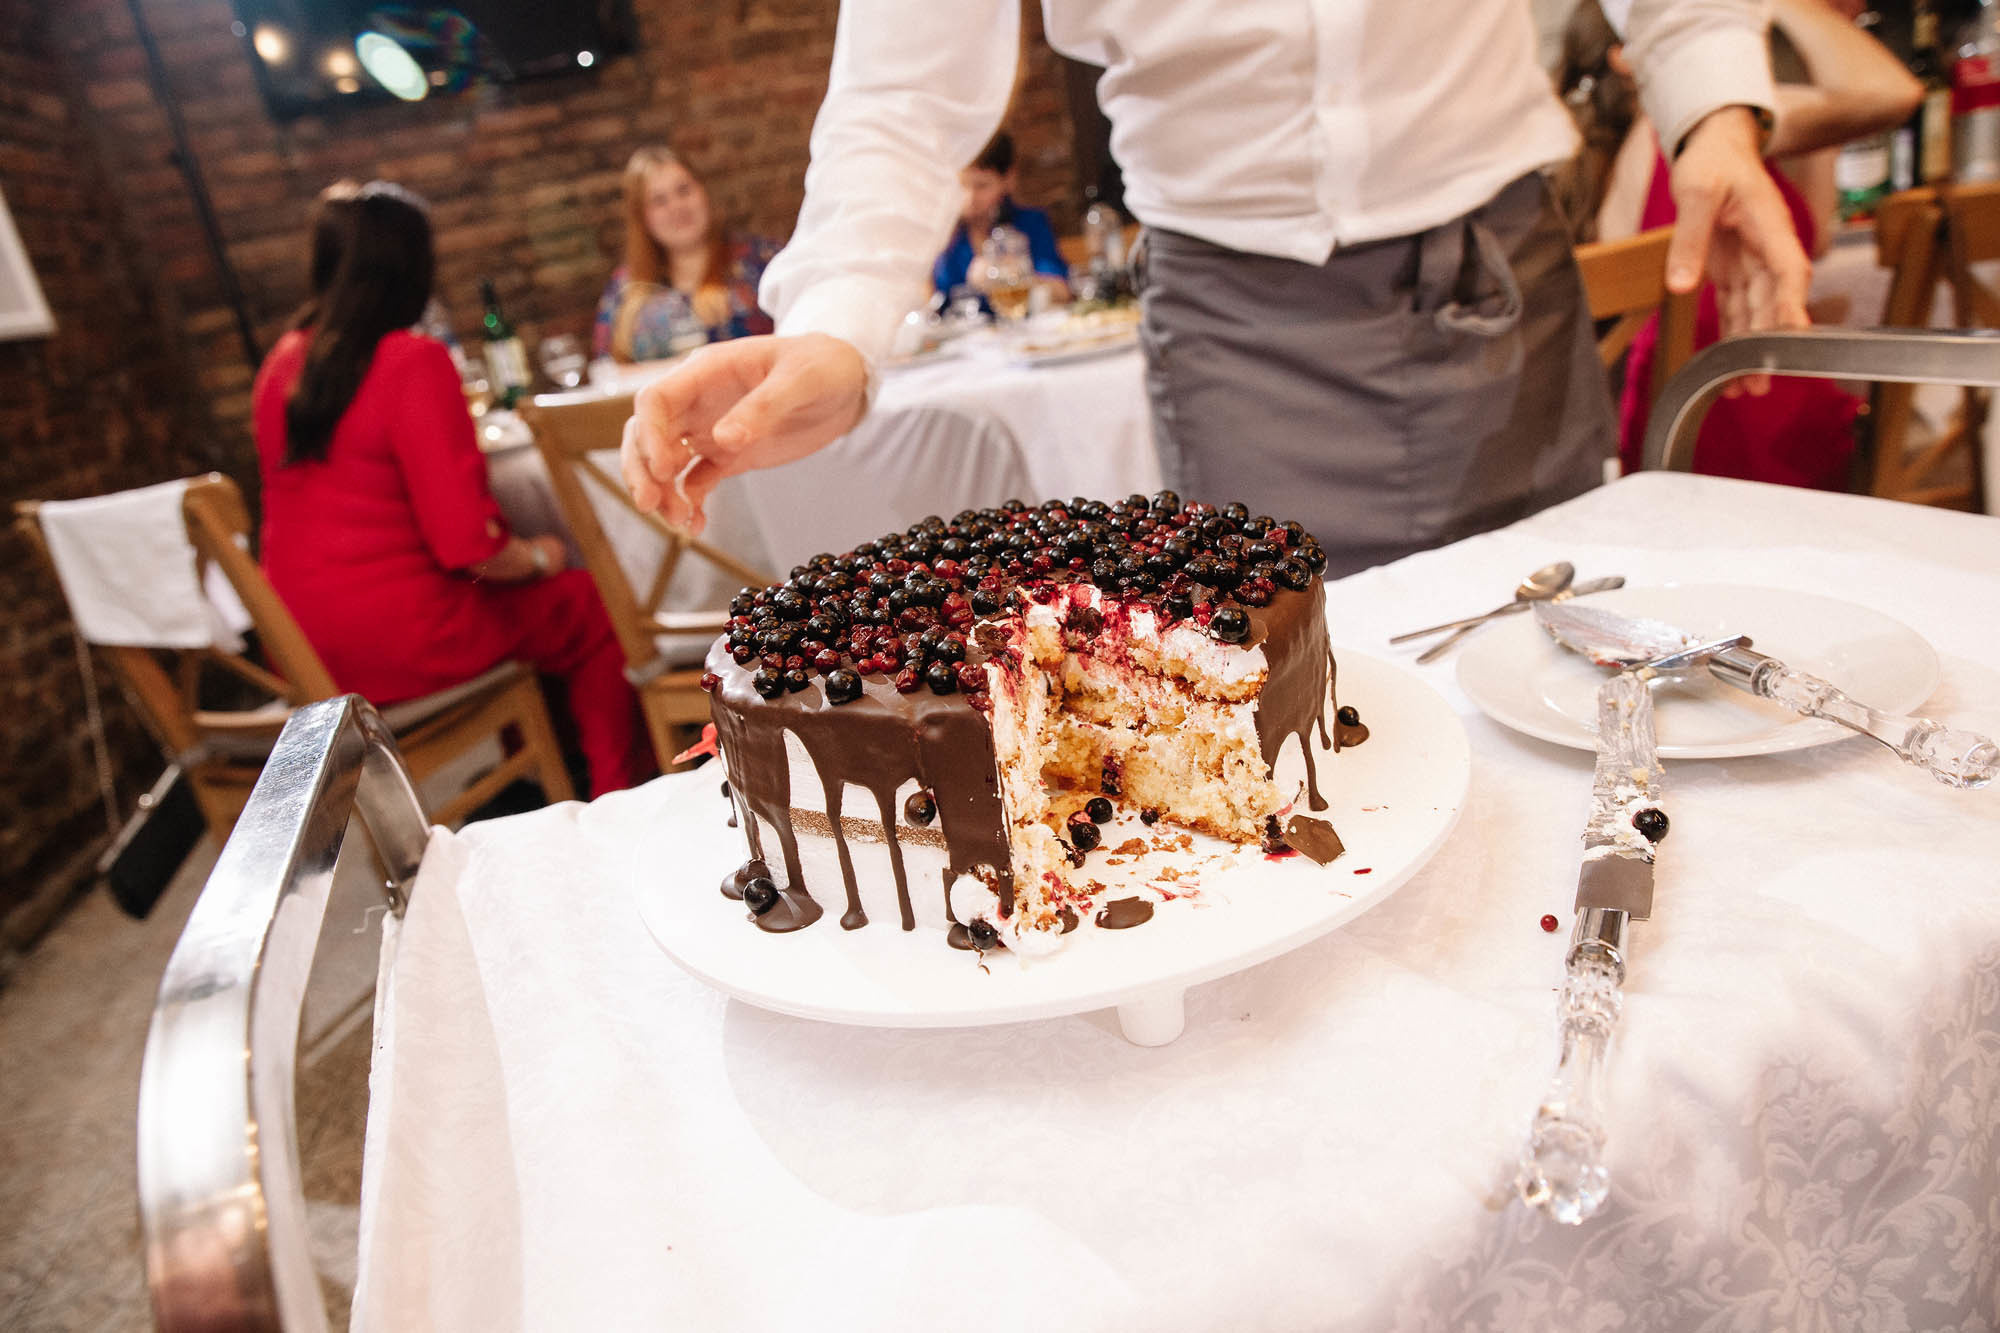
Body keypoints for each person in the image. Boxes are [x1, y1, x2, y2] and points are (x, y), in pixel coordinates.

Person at [620, 0, 1813, 579]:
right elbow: (902, 94)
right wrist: (838, 320)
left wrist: (1709, 103)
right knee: (1303, 720)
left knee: (1553, 646)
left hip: (1495, 267)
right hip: (1234, 327)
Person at [254, 180, 651, 797]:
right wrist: (540, 556)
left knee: (527, 610)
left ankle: (543, 777)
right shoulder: (410, 361)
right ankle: (619, 796)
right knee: (587, 604)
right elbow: (467, 545)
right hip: (400, 638)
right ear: (412, 268)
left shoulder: (282, 362)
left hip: (302, 645)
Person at [1557, 0, 1920, 488]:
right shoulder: (1691, 133)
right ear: (1631, 56)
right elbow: (1891, 92)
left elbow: (1816, 237)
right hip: (1739, 431)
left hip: (1675, 432)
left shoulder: (1697, 144)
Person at [595, 146, 779, 364]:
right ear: (642, 218)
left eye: (684, 191)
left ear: (703, 192)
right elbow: (605, 368)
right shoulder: (625, 287)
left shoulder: (763, 260)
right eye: (659, 201)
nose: (676, 206)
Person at [932, 130, 1072, 304]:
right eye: (962, 185)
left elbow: (1061, 292)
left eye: (981, 186)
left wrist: (1005, 276)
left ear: (1009, 179)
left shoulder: (1030, 223)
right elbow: (931, 300)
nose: (970, 198)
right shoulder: (945, 232)